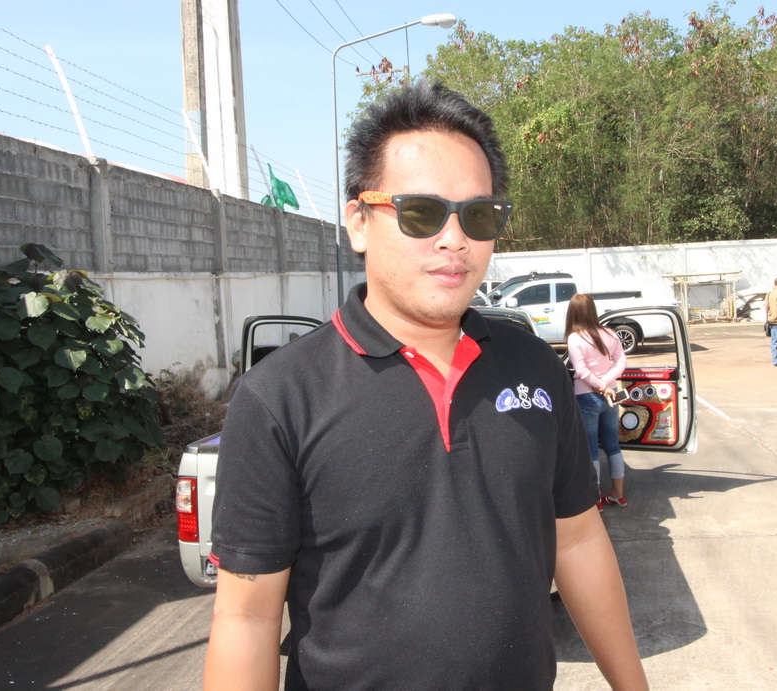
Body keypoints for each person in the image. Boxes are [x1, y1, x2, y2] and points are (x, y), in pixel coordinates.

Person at [203, 82, 648, 691]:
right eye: (422, 211)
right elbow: (246, 618)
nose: (454, 239)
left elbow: (577, 542)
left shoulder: (535, 367)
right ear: (359, 223)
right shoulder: (280, 397)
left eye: (479, 215)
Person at [565, 294, 630, 509]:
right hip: (611, 395)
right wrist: (606, 383)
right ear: (593, 310)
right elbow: (621, 361)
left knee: (591, 448)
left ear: (572, 313)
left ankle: (595, 499)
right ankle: (618, 494)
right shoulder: (610, 333)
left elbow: (581, 370)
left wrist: (599, 385)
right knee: (612, 445)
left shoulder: (575, 338)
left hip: (586, 396)